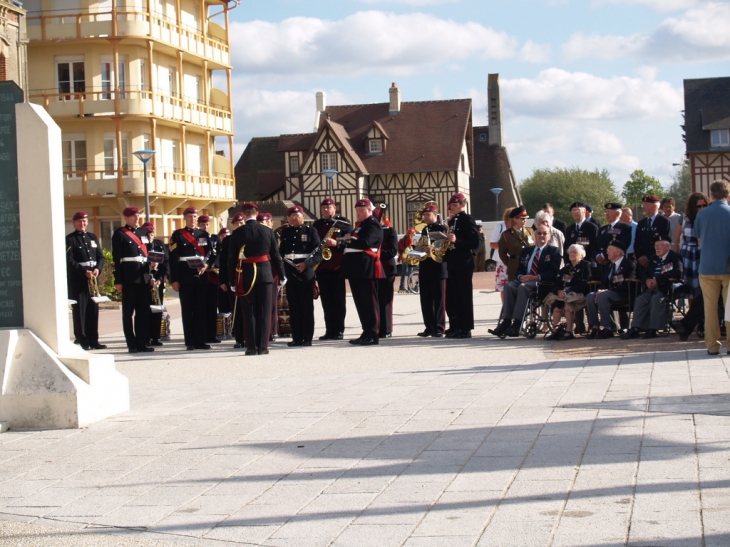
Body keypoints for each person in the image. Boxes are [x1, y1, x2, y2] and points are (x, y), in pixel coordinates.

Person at [227, 203, 286, 356]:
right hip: (265, 274)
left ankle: (251, 346)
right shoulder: (267, 231)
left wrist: (231, 280)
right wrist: (282, 275)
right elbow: (276, 256)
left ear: (244, 215)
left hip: (246, 275)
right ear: (257, 213)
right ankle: (263, 346)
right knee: (265, 311)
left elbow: (231, 259)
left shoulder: (238, 233)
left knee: (249, 311)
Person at [488, 226, 561, 338]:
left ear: (549, 235)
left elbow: (553, 271)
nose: (541, 236)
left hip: (541, 283)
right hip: (525, 279)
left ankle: (517, 323)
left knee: (523, 287)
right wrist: (521, 276)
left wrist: (536, 277)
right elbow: (520, 268)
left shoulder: (553, 251)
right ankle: (506, 321)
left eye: (544, 233)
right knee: (509, 286)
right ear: (535, 235)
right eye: (539, 233)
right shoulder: (527, 250)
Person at [693, 180, 730, 356]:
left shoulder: (702, 214)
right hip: (728, 266)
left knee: (710, 308)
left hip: (707, 266)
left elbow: (699, 240)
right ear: (727, 195)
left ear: (711, 194)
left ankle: (712, 346)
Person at [621, 237, 682, 340]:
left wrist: (658, 279)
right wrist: (647, 280)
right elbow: (643, 274)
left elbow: (678, 273)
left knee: (656, 299)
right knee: (640, 299)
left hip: (666, 287)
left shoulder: (675, 257)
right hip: (651, 287)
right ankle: (636, 328)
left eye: (660, 246)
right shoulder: (654, 258)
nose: (657, 248)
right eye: (655, 246)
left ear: (668, 247)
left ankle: (653, 328)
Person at [341, 198, 384, 345]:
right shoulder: (361, 226)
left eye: (361, 210)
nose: (358, 213)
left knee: (369, 303)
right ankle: (366, 331)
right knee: (361, 303)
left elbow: (367, 242)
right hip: (356, 269)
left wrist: (349, 240)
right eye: (357, 210)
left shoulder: (373, 224)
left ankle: (373, 333)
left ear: (369, 210)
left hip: (366, 268)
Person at [112, 206, 153, 353]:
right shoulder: (119, 234)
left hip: (142, 277)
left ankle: (142, 342)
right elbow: (117, 258)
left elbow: (149, 253)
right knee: (128, 312)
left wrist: (151, 271)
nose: (137, 218)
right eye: (134, 216)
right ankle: (131, 343)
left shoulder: (143, 233)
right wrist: (118, 280)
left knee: (143, 312)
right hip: (129, 277)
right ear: (126, 218)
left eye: (138, 215)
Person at [278, 206, 321, 347]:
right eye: (290, 216)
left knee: (306, 307)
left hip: (305, 274)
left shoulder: (310, 231)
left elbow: (318, 254)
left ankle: (307, 337)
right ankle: (296, 337)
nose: (293, 218)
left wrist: (306, 264)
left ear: (302, 216)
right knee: (294, 307)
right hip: (290, 273)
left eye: (296, 215)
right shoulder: (286, 232)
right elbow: (282, 253)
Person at [169, 207, 212, 351]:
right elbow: (173, 258)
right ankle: (190, 341)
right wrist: (174, 279)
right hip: (185, 276)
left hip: (201, 275)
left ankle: (201, 340)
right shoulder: (177, 235)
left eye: (194, 216)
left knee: (201, 309)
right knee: (187, 310)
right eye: (189, 216)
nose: (192, 219)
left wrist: (207, 264)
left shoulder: (203, 234)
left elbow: (211, 253)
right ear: (185, 218)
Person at [313, 198, 354, 341]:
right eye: (324, 207)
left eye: (329, 207)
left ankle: (339, 330)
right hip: (321, 267)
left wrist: (337, 243)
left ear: (334, 208)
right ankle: (329, 330)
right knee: (326, 301)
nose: (326, 210)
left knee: (338, 300)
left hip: (337, 267)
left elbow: (350, 241)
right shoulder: (317, 224)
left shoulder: (343, 223)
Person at [66, 211, 106, 350]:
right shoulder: (70, 239)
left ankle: (94, 340)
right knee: (80, 311)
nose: (82, 224)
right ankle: (82, 340)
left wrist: (98, 269)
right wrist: (84, 272)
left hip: (93, 279)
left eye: (84, 221)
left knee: (93, 310)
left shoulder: (92, 237)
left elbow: (101, 257)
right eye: (79, 221)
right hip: (79, 280)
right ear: (74, 223)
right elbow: (69, 260)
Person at [443, 192, 482, 339]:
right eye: (451, 205)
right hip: (453, 262)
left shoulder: (467, 219)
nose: (451, 207)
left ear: (462, 205)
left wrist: (457, 240)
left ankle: (465, 328)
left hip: (463, 262)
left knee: (463, 296)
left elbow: (475, 242)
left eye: (454, 205)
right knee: (453, 297)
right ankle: (455, 325)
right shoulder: (452, 221)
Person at [585, 240, 636, 339]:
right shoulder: (609, 265)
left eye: (609, 250)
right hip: (608, 293)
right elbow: (604, 283)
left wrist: (607, 291)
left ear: (618, 252)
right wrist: (599, 290)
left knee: (603, 296)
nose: (607, 252)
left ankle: (607, 328)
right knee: (590, 296)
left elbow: (626, 284)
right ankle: (594, 326)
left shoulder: (629, 264)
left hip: (622, 293)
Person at [544, 244, 591, 341]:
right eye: (571, 252)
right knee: (557, 306)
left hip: (578, 293)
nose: (572, 254)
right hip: (563, 295)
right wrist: (559, 290)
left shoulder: (586, 266)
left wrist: (569, 290)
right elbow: (557, 283)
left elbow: (585, 282)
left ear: (581, 255)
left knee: (566, 305)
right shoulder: (565, 269)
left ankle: (569, 331)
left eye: (575, 252)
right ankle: (555, 330)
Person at [416, 204, 448, 337]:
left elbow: (444, 247)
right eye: (424, 215)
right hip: (425, 266)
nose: (426, 217)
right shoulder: (424, 229)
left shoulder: (442, 228)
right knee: (426, 299)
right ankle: (429, 326)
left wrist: (433, 248)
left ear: (435, 215)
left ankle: (439, 327)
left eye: (428, 215)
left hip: (438, 267)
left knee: (439, 299)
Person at [673, 192, 709, 302]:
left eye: (704, 205)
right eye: (699, 206)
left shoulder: (707, 217)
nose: (702, 208)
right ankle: (691, 314)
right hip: (687, 252)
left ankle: (700, 314)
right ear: (693, 206)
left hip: (702, 252)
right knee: (688, 283)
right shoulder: (684, 218)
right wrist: (676, 256)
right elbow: (676, 238)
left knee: (701, 284)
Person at [219, 213, 246, 348]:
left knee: (248, 308)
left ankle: (249, 337)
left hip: (248, 277)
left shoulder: (249, 236)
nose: (239, 226)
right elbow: (224, 262)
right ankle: (239, 338)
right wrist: (223, 280)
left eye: (241, 223)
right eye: (236, 224)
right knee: (236, 309)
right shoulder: (228, 240)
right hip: (233, 278)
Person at [141, 221, 168, 347]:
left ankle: (156, 337)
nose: (150, 236)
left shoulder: (159, 244)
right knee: (146, 311)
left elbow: (165, 262)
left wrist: (161, 279)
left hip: (157, 282)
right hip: (146, 282)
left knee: (157, 310)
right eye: (147, 233)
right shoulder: (141, 245)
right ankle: (146, 337)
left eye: (151, 233)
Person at [197, 214, 221, 345]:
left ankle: (212, 334)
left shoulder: (215, 238)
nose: (205, 227)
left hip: (212, 277)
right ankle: (202, 334)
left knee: (212, 307)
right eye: (202, 225)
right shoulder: (197, 236)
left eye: (206, 224)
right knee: (202, 307)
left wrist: (213, 265)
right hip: (201, 275)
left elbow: (218, 254)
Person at [375, 207, 398, 338]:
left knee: (385, 300)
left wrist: (377, 253)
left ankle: (386, 329)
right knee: (376, 300)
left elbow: (392, 251)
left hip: (387, 269)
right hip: (374, 269)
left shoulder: (390, 231)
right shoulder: (372, 231)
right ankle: (377, 327)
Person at [257, 212, 280, 342]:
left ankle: (271, 331)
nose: (263, 225)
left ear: (271, 222)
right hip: (260, 269)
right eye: (260, 222)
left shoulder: (274, 235)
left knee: (271, 303)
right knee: (260, 303)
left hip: (273, 270)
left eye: (266, 222)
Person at [498, 206, 534, 282]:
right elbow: (502, 253)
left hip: (529, 266)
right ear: (515, 219)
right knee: (514, 290)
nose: (525, 220)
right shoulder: (506, 235)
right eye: (522, 218)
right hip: (515, 266)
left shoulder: (530, 231)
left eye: (526, 218)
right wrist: (510, 264)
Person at [634, 195, 671, 268]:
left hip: (657, 261)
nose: (643, 207)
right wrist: (640, 256)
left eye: (646, 204)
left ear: (654, 206)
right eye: (643, 204)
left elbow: (664, 242)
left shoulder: (664, 221)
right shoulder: (641, 223)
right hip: (641, 263)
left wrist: (649, 258)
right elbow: (637, 242)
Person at [595, 203, 632, 269]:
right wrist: (597, 256)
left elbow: (622, 244)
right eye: (606, 212)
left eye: (610, 212)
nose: (607, 214)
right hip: (601, 264)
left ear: (618, 214)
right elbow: (596, 245)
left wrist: (604, 256)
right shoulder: (603, 229)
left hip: (616, 264)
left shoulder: (624, 227)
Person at [491, 208, 512, 301]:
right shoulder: (499, 227)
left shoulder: (519, 228)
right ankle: (505, 308)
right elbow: (492, 244)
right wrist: (506, 245)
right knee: (503, 287)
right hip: (502, 261)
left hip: (515, 260)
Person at [397, 228, 417, 292]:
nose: (413, 236)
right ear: (410, 234)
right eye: (413, 234)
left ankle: (402, 286)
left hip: (403, 257)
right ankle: (410, 287)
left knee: (403, 272)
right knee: (410, 273)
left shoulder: (402, 240)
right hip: (409, 258)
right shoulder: (410, 240)